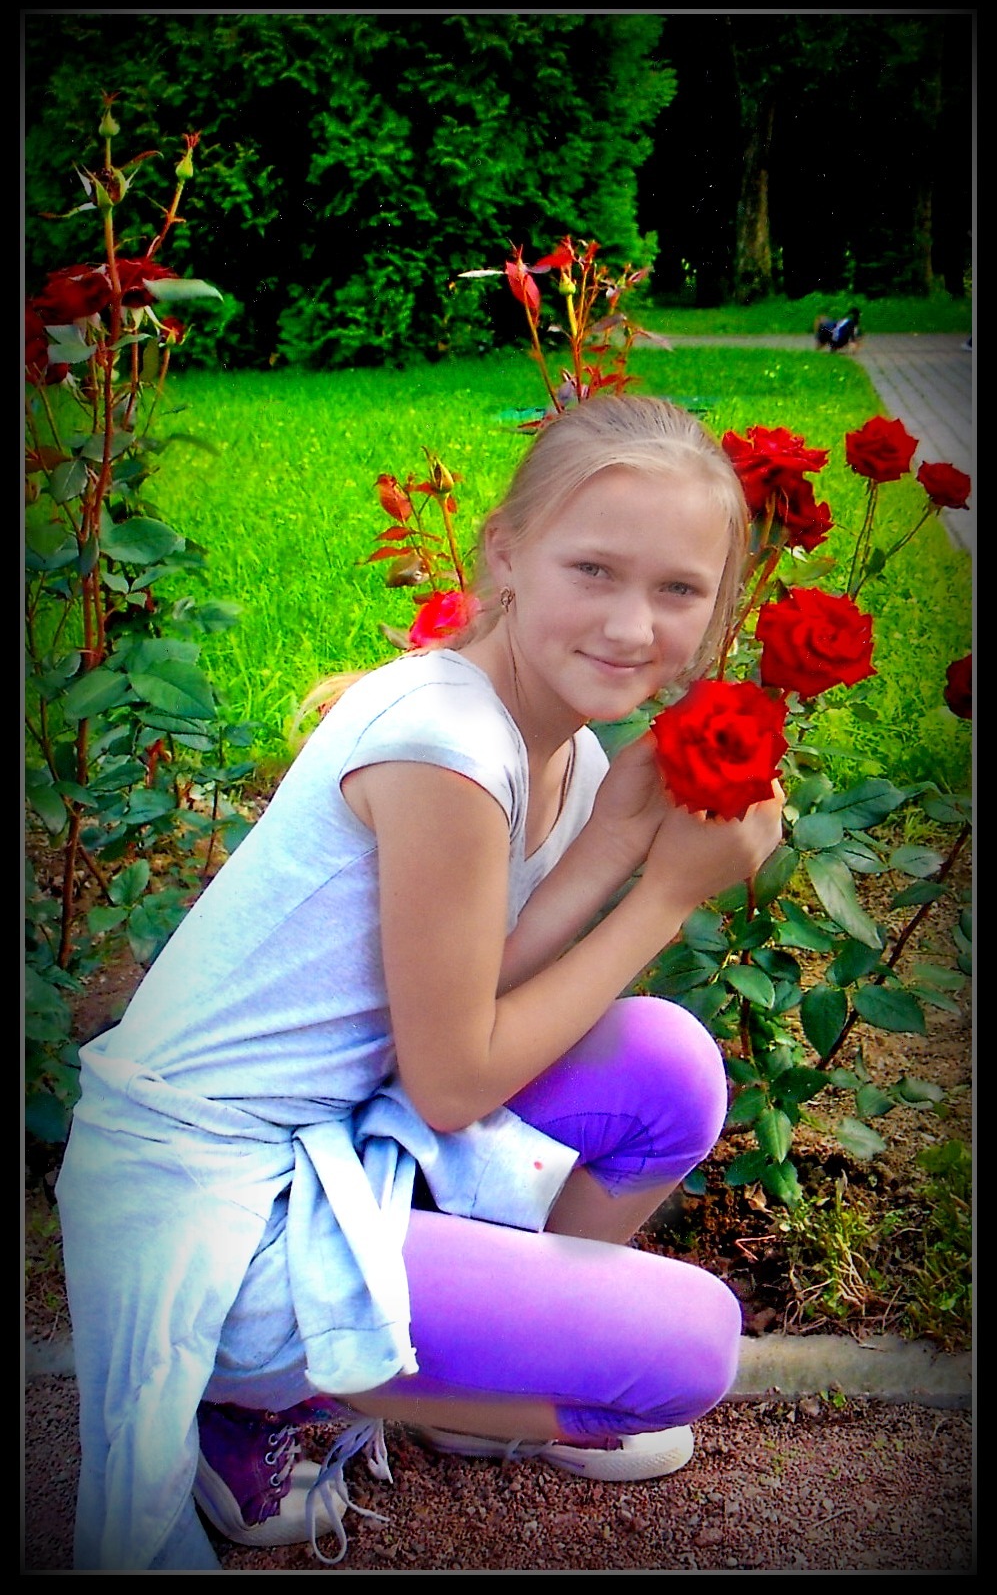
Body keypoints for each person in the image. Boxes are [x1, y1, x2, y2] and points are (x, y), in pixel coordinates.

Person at [55, 395, 786, 1571]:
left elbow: (468, 998)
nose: (630, 624)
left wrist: (613, 838)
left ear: (716, 609)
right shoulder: (446, 745)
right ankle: (253, 1397)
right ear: (505, 553)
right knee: (687, 1351)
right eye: (592, 569)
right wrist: (664, 897)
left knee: (666, 1067)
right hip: (208, 1201)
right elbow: (449, 1081)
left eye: (677, 589)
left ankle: (453, 1382)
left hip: (333, 1130)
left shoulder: (563, 743)